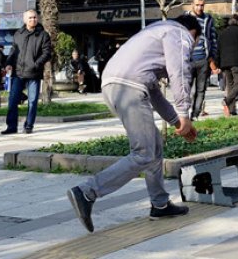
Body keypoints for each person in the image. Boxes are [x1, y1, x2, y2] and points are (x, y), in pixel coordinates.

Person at [66, 15, 200, 233]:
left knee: (153, 146)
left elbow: (155, 94)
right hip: (130, 88)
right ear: (192, 32)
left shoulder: (153, 35)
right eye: (194, 43)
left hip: (114, 86)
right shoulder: (179, 32)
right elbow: (180, 71)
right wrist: (185, 112)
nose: (191, 48)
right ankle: (87, 191)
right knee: (143, 153)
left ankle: (160, 204)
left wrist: (177, 121)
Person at [0, 9, 51, 135]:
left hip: (34, 73)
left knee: (32, 101)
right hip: (18, 72)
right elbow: (13, 51)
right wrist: (8, 64)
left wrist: (36, 64)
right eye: (30, 18)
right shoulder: (18, 34)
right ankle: (11, 126)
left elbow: (47, 53)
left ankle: (28, 125)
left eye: (34, 17)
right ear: (24, 20)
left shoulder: (43, 35)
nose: (33, 20)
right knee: (12, 100)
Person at [185, 0, 218, 120]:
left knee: (201, 90)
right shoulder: (185, 18)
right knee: (186, 90)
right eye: (197, 5)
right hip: (188, 60)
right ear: (192, 5)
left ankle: (195, 115)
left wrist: (212, 58)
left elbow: (213, 39)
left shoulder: (208, 19)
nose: (199, 8)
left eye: (202, 5)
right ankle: (184, 115)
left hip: (203, 60)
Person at [217, 14, 238, 116]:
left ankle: (232, 110)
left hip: (225, 64)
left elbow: (218, 50)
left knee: (230, 85)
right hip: (237, 63)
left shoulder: (222, 33)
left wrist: (218, 64)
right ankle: (226, 101)